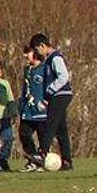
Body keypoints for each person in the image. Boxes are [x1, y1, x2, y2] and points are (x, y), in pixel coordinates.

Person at [29, 33, 73, 170]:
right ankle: (67, 161)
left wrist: (49, 91)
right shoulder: (48, 60)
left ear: (42, 46)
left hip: (61, 94)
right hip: (56, 95)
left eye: (37, 50)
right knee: (61, 130)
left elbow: (64, 77)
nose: (37, 53)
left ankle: (42, 152)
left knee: (51, 122)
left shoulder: (56, 58)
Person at [18, 46, 47, 172]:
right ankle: (32, 159)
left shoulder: (45, 69)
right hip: (28, 111)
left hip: (41, 111)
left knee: (43, 138)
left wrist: (46, 102)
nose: (25, 56)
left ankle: (42, 161)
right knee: (24, 133)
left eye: (27, 53)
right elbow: (26, 89)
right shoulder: (27, 70)